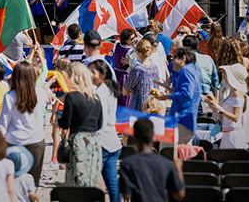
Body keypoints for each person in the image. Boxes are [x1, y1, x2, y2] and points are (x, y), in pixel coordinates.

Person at [0, 62, 47, 186]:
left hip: (14, 141)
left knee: (13, 182)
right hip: (36, 140)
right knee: (33, 183)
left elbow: (3, 123)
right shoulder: (41, 94)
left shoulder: (10, 96)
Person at [58, 62, 103, 187]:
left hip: (78, 140)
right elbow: (99, 123)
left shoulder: (72, 97)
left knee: (77, 179)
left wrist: (59, 118)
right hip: (94, 141)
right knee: (91, 177)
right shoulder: (95, 97)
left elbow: (65, 123)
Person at [119, 118, 185, 202]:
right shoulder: (167, 164)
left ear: (133, 140)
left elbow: (126, 195)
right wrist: (179, 169)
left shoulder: (127, 163)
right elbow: (180, 194)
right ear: (153, 140)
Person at [88, 59, 122, 201]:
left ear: (102, 74)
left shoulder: (101, 92)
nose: (89, 75)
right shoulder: (109, 88)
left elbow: (99, 120)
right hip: (112, 141)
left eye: (92, 72)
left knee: (94, 182)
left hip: (101, 142)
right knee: (112, 182)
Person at [154, 47, 202, 144]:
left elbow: (187, 95)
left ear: (183, 58)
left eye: (174, 57)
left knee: (167, 152)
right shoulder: (193, 70)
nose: (171, 61)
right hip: (187, 122)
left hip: (181, 121)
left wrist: (167, 97)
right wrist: (167, 88)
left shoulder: (185, 71)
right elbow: (186, 92)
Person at [204, 64, 249, 149]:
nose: (224, 76)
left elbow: (236, 117)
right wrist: (214, 107)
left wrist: (219, 109)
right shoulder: (232, 93)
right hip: (227, 134)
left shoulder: (237, 94)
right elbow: (224, 116)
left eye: (226, 74)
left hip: (233, 136)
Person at [122, 40, 159, 111]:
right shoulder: (155, 68)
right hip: (152, 105)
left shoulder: (137, 69)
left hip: (138, 106)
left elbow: (125, 90)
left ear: (138, 53)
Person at [113, 28, 136, 107]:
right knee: (125, 98)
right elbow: (134, 65)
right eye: (132, 38)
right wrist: (130, 62)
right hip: (125, 76)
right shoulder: (130, 51)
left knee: (116, 97)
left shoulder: (116, 44)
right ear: (126, 40)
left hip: (115, 74)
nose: (134, 39)